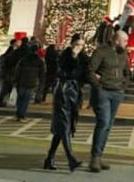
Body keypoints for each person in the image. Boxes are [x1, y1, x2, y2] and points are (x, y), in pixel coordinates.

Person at [87, 28, 131, 173]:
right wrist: (98, 86)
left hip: (117, 92)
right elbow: (90, 69)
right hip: (104, 92)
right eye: (124, 41)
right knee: (103, 122)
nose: (126, 43)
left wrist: (124, 85)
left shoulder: (123, 53)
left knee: (108, 125)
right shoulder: (101, 51)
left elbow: (127, 72)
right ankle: (95, 157)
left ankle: (99, 156)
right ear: (117, 40)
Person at [44, 34, 84, 172]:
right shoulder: (64, 56)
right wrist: (73, 57)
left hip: (74, 93)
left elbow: (83, 73)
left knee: (62, 129)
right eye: (77, 44)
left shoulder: (82, 58)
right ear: (72, 44)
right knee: (64, 126)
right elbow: (62, 71)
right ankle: (71, 159)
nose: (79, 47)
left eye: (82, 45)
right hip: (63, 92)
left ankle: (49, 158)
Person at [14, 42, 45, 121]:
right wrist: (41, 81)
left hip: (21, 81)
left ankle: (18, 114)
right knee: (26, 99)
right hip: (31, 81)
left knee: (20, 98)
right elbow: (42, 73)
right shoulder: (39, 61)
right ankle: (22, 115)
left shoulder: (23, 59)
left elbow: (17, 70)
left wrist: (15, 80)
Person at [0, 38, 20, 107]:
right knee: (5, 88)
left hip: (4, 74)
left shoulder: (4, 55)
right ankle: (1, 100)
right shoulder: (10, 55)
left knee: (2, 88)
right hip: (7, 74)